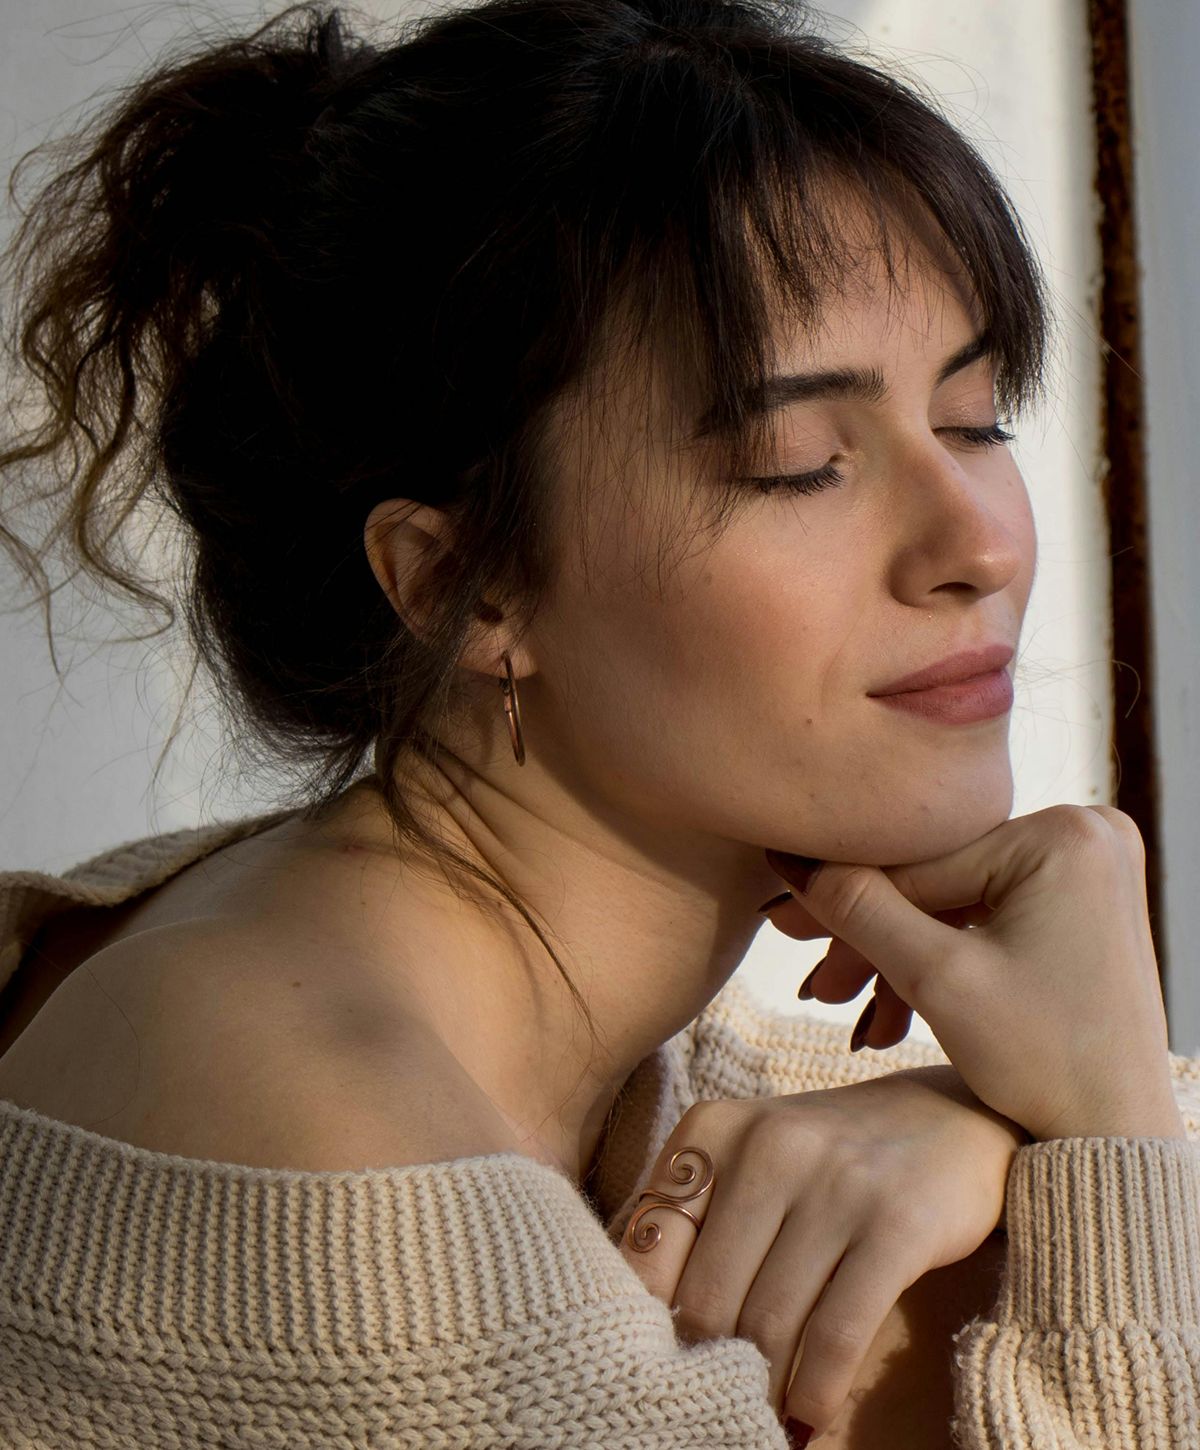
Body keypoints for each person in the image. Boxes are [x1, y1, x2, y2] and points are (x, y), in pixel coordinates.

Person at [0, 1, 1196, 1446]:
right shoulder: (327, 1144)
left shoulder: (551, 1006)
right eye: (801, 462)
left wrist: (988, 1124)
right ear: (462, 583)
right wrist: (1099, 1133)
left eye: (974, 419)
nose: (979, 544)